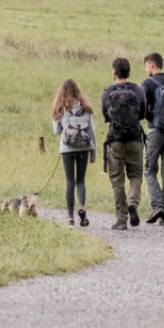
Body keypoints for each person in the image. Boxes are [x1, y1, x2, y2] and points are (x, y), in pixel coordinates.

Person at [100, 56, 146, 230]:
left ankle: (121, 219)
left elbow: (106, 116)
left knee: (117, 179)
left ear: (114, 72)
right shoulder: (138, 90)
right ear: (129, 72)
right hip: (135, 138)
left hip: (115, 140)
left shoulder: (107, 93)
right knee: (136, 174)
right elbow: (142, 114)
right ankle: (133, 202)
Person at [51, 78, 96, 227]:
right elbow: (92, 131)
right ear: (78, 91)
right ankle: (82, 207)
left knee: (70, 182)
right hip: (84, 147)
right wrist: (93, 152)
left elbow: (56, 131)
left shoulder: (61, 108)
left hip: (67, 149)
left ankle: (70, 217)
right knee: (81, 181)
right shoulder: (85, 107)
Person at [140, 52, 164, 224]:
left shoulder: (147, 84)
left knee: (149, 169)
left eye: (147, 65)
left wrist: (148, 117)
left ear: (152, 65)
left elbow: (141, 108)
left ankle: (157, 206)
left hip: (155, 130)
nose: (146, 69)